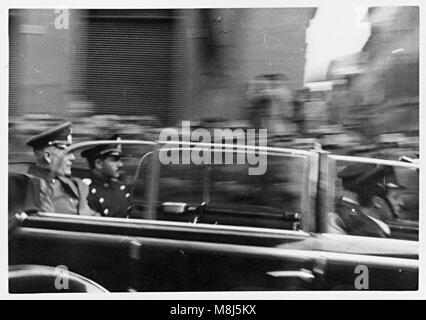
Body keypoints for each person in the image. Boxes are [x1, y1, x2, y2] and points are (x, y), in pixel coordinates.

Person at [26, 121, 96, 216]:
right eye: (67, 152)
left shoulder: (72, 184)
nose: (72, 158)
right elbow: (49, 224)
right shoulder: (35, 186)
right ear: (48, 156)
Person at [327, 163, 405, 238]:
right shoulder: (371, 233)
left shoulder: (342, 212)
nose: (401, 203)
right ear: (377, 202)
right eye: (395, 197)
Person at [80, 135, 132, 218]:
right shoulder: (84, 190)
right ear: (99, 164)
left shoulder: (120, 188)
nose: (120, 164)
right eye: (115, 160)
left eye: (120, 160)